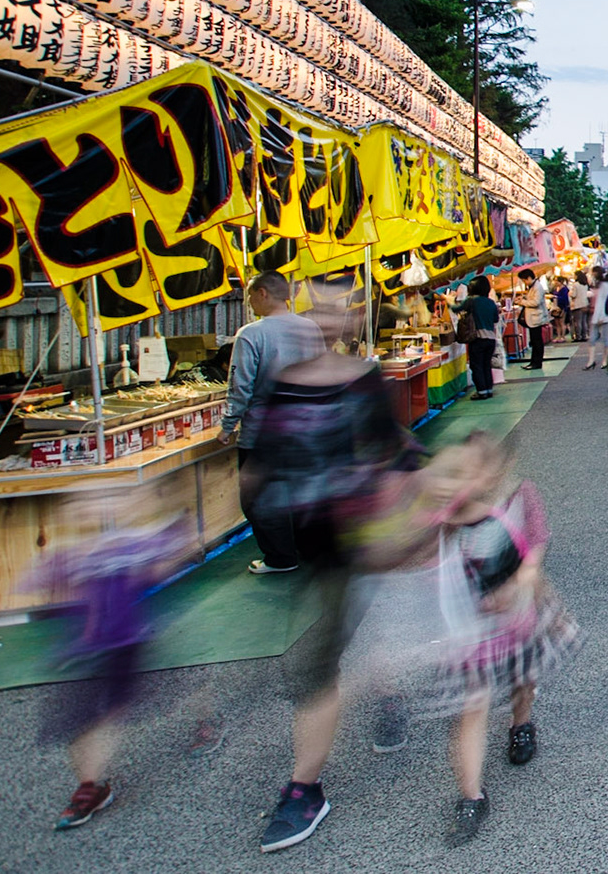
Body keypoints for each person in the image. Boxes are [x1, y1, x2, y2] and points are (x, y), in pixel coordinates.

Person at [246, 285, 411, 852]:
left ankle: (305, 788)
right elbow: (263, 460)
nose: (323, 317)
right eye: (314, 306)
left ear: (352, 316)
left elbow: (393, 455)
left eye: (335, 307)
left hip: (358, 541)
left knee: (320, 661)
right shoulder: (284, 384)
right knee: (355, 634)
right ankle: (388, 694)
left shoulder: (364, 381)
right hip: (314, 543)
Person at [430, 432, 581, 844]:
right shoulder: (445, 518)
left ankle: (521, 722)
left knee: (523, 680)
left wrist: (521, 589)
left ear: (491, 471)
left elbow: (533, 552)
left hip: (516, 620)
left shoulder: (517, 500)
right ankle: (472, 795)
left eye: (466, 471)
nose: (453, 481)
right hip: (473, 632)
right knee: (472, 706)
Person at [34, 493, 195, 830]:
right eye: (78, 505)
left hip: (127, 644)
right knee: (78, 723)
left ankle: (90, 786)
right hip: (85, 649)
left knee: (112, 713)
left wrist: (174, 534)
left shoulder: (129, 544)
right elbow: (47, 586)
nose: (88, 509)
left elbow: (165, 560)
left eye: (96, 502)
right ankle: (91, 787)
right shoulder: (69, 554)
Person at [222, 273, 326, 576]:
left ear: (263, 293)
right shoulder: (310, 328)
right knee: (303, 492)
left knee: (260, 497)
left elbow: (240, 386)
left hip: (264, 434)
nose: (248, 302)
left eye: (250, 295)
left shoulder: (251, 334)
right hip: (307, 428)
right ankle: (310, 550)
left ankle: (280, 558)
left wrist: (227, 425)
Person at [459, 276, 501, 400]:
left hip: (477, 339)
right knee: (486, 365)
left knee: (476, 365)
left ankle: (481, 391)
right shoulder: (491, 302)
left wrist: (448, 300)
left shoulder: (471, 301)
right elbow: (496, 319)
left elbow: (458, 308)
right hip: (491, 339)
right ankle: (488, 389)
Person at [583, 266, 608, 371]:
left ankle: (603, 360)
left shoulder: (605, 285)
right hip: (598, 315)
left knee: (605, 339)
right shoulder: (598, 285)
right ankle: (592, 361)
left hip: (604, 315)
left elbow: (606, 302)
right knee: (593, 339)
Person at [516, 270, 548, 371]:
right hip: (533, 318)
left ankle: (536, 362)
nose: (524, 282)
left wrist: (523, 302)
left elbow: (536, 302)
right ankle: (534, 362)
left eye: (524, 280)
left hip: (536, 318)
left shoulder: (537, 287)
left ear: (529, 278)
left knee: (537, 341)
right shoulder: (533, 287)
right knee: (535, 341)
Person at [567, 271, 591, 343]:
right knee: (584, 321)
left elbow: (574, 295)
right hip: (585, 304)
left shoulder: (575, 285)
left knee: (577, 322)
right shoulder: (585, 285)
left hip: (577, 305)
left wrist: (570, 293)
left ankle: (578, 336)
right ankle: (584, 335)